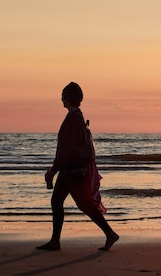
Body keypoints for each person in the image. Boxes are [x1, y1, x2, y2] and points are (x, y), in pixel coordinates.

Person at [37, 82, 119, 251]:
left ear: (68, 97)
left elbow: (66, 148)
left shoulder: (74, 118)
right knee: (82, 204)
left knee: (60, 202)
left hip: (71, 171)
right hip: (74, 170)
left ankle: (55, 241)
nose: (61, 99)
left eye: (63, 96)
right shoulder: (77, 116)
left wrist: (53, 169)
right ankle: (109, 234)